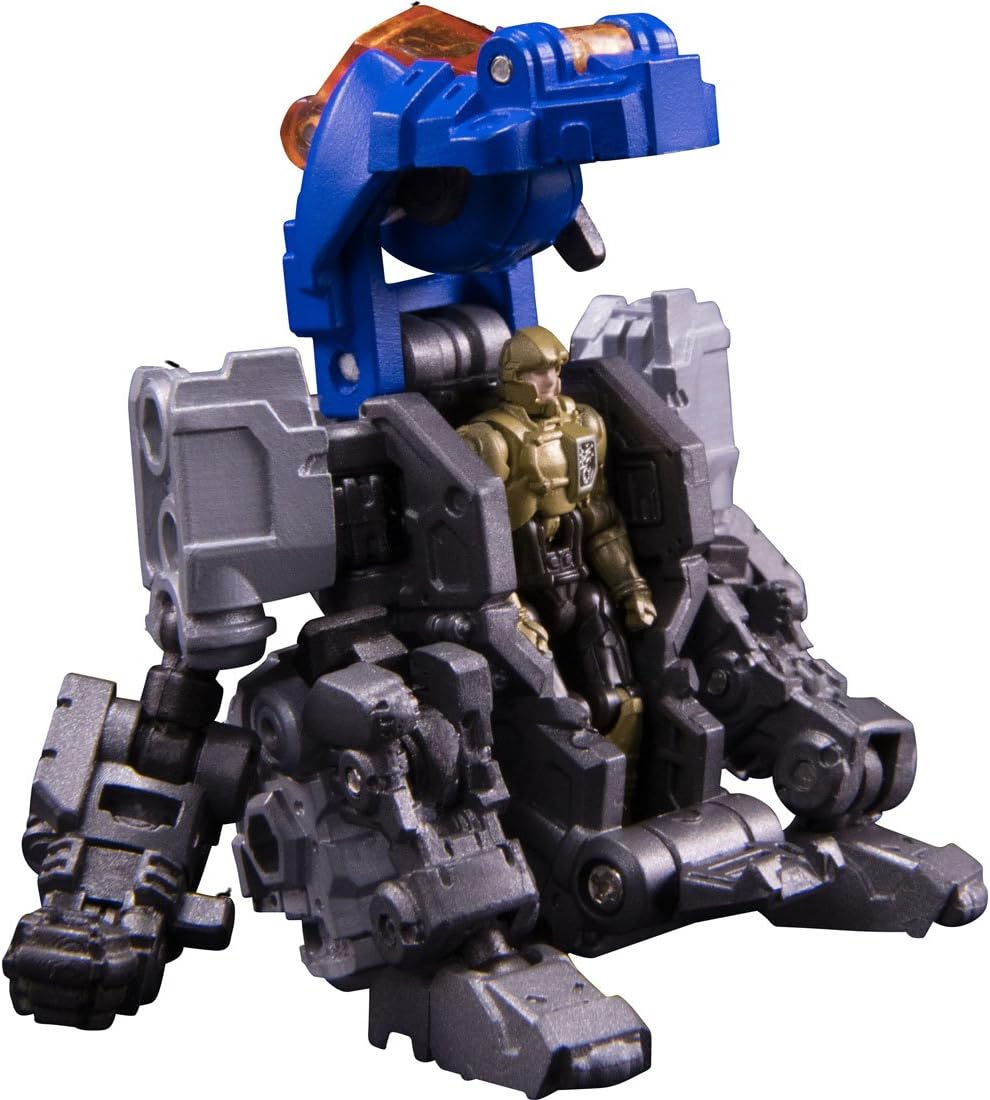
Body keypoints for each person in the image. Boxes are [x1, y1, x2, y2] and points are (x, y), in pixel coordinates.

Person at [458, 326, 656, 809]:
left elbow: (600, 521)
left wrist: (631, 587)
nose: (550, 382)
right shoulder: (489, 442)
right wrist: (510, 610)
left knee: (624, 702)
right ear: (512, 377)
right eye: (536, 373)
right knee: (563, 714)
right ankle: (569, 805)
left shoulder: (583, 426)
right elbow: (476, 545)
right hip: (517, 595)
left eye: (555, 369)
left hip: (577, 584)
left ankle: (625, 801)